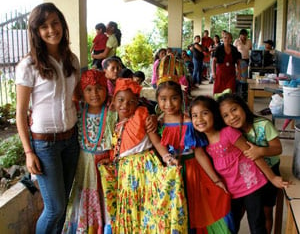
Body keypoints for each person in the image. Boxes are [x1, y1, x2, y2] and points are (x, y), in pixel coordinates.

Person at [15, 3, 80, 233]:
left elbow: (75, 97)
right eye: (44, 26)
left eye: (55, 22)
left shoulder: (71, 60)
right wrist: (28, 152)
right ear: (36, 32)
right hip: (44, 145)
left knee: (65, 205)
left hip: (71, 141)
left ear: (62, 23)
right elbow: (20, 113)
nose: (52, 29)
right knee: (54, 208)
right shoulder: (29, 65)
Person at [98, 78, 188, 233]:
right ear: (113, 100)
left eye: (131, 101)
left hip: (146, 170)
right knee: (132, 209)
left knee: (150, 206)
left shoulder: (141, 116)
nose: (125, 105)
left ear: (137, 103)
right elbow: (118, 148)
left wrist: (168, 158)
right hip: (125, 174)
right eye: (121, 100)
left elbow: (157, 142)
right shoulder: (112, 122)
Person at [190, 95, 288, 234]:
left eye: (205, 113)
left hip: (251, 185)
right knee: (232, 224)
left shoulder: (228, 133)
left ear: (214, 115)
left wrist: (272, 178)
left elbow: (253, 155)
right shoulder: (202, 142)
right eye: (194, 115)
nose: (199, 119)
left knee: (257, 225)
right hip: (231, 190)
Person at [155, 64, 234, 233]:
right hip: (168, 174)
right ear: (157, 100)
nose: (168, 103)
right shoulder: (157, 123)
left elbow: (199, 153)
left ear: (182, 98)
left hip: (191, 173)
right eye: (163, 99)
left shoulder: (190, 123)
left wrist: (216, 179)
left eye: (174, 98)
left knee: (195, 210)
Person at [217, 93, 283, 233]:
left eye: (234, 109)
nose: (232, 117)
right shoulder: (230, 132)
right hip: (247, 177)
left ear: (243, 107)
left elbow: (278, 148)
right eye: (226, 115)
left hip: (269, 171)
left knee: (265, 211)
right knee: (239, 211)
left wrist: (260, 151)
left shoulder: (263, 124)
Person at [63, 70, 111, 233]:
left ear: (106, 88)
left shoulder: (113, 113)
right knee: (85, 196)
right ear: (82, 92)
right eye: (88, 89)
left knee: (106, 197)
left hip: (107, 166)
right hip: (84, 167)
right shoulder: (77, 113)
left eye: (99, 88)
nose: (94, 93)